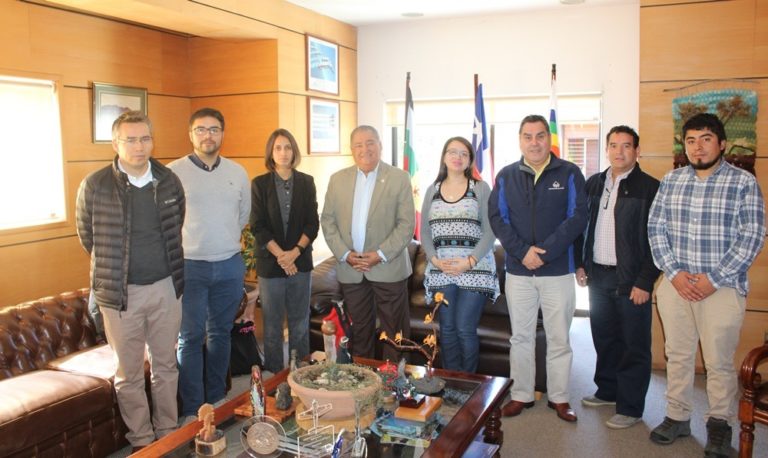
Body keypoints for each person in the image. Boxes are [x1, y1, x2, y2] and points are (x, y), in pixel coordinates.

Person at [648, 113, 765, 456]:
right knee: (677, 355)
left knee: (719, 362)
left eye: (706, 139)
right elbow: (655, 229)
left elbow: (752, 236)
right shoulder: (671, 181)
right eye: (691, 141)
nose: (697, 147)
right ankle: (677, 416)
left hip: (722, 287)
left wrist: (713, 279)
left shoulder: (743, 182)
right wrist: (674, 274)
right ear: (684, 146)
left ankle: (719, 425)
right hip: (676, 284)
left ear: (722, 144)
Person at [75, 111, 185, 451]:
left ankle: (167, 432)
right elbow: (87, 237)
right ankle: (142, 441)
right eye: (131, 140)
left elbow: (177, 224)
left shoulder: (169, 180)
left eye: (145, 139)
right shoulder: (95, 185)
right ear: (116, 143)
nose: (139, 146)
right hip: (120, 295)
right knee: (129, 373)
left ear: (152, 141)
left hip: (166, 288)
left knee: (166, 365)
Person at [489, 114, 587, 422]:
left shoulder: (569, 172)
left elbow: (577, 217)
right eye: (528, 136)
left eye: (540, 136)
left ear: (549, 139)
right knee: (520, 337)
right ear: (520, 141)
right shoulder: (506, 176)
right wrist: (522, 253)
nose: (534, 143)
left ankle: (559, 397)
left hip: (557, 271)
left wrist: (544, 254)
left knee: (559, 337)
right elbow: (498, 219)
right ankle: (521, 394)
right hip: (519, 272)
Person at [574, 125, 660, 429]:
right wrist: (580, 263)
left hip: (632, 280)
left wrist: (645, 280)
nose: (619, 151)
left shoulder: (650, 187)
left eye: (626, 146)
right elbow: (581, 228)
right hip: (598, 275)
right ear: (607, 149)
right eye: (613, 145)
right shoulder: (593, 183)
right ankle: (608, 390)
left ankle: (631, 407)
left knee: (633, 344)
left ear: (637, 151)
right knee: (604, 337)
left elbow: (659, 239)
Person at [168, 108, 251, 422]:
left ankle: (217, 399)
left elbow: (242, 216)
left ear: (222, 134)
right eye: (201, 129)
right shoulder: (173, 173)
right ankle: (193, 409)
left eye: (214, 129)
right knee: (189, 337)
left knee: (220, 333)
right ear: (190, 134)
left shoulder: (237, 172)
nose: (208, 135)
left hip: (229, 265)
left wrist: (224, 240)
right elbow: (167, 221)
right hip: (190, 266)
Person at [321, 125, 415, 361]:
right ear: (352, 149)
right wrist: (345, 254)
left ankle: (393, 380)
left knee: (395, 333)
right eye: (358, 145)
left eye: (370, 142)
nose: (365, 149)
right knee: (360, 333)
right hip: (351, 270)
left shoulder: (400, 178)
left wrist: (379, 254)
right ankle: (363, 380)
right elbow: (328, 221)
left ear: (380, 145)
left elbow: (406, 225)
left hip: (388, 268)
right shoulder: (337, 180)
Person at [419, 136, 499, 373]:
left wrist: (469, 261)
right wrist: (435, 260)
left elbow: (490, 230)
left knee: (465, 328)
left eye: (464, 154)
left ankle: (469, 384)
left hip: (475, 269)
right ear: (444, 157)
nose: (458, 157)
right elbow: (424, 231)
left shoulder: (480, 188)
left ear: (470, 160)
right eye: (453, 152)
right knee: (447, 329)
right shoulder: (432, 190)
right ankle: (451, 380)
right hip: (441, 269)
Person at [250, 128, 319, 373]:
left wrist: (294, 253)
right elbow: (257, 226)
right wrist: (281, 255)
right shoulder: (259, 184)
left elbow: (312, 223)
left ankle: (302, 375)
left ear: (294, 151)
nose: (283, 152)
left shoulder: (306, 182)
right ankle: (274, 377)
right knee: (272, 325)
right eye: (278, 147)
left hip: (300, 262)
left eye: (288, 147)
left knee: (300, 323)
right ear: (271, 152)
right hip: (271, 264)